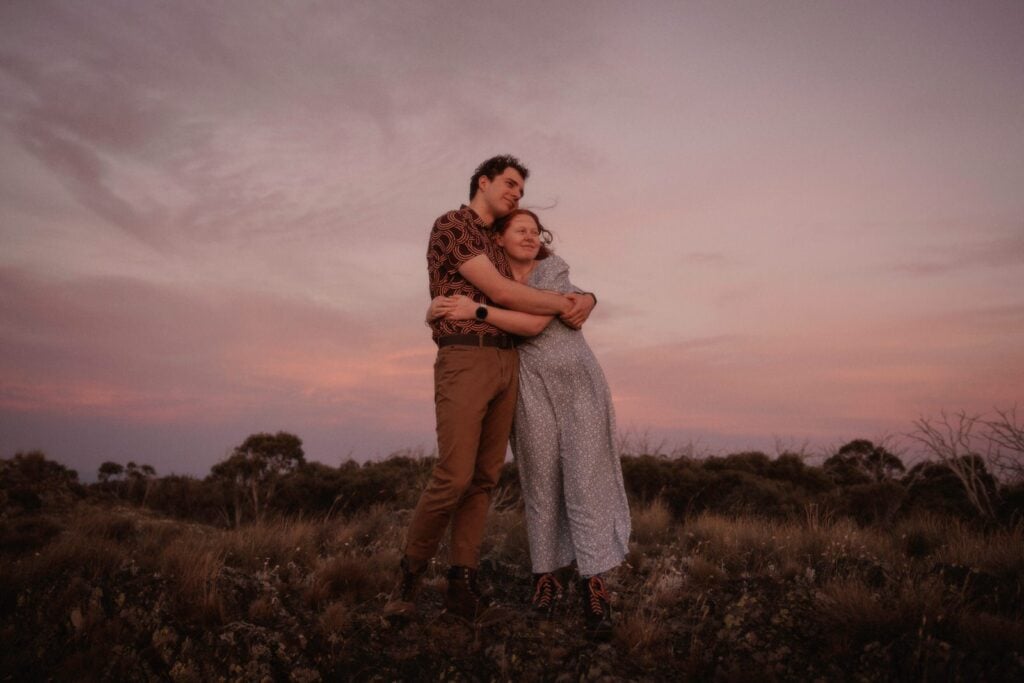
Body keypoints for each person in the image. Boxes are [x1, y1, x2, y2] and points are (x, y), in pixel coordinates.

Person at [383, 156, 596, 624]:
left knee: (483, 479)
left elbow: (549, 279)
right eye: (510, 185)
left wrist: (586, 297)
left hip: (510, 362)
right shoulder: (455, 225)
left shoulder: (503, 242)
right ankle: (409, 576)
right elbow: (501, 293)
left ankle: (463, 584)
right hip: (466, 356)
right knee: (454, 475)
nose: (516, 195)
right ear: (483, 181)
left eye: (521, 190)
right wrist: (566, 304)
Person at [427, 209, 630, 640]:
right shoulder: (491, 279)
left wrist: (478, 311)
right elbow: (448, 302)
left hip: (578, 384)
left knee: (583, 481)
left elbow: (536, 322)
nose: (530, 236)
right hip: (530, 389)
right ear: (497, 239)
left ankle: (593, 581)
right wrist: (435, 311)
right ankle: (545, 578)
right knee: (539, 484)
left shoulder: (552, 269)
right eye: (520, 229)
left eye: (535, 230)